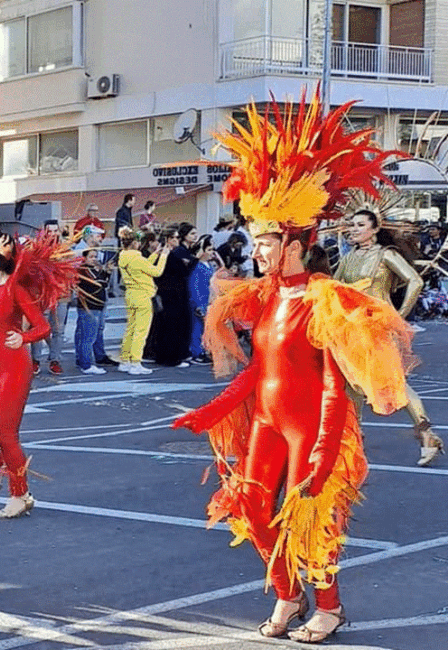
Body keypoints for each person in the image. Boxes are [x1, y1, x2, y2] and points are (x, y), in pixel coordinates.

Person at [173, 91, 411, 644]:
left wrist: (326, 451)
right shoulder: (266, 296)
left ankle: (327, 608)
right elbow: (260, 370)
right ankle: (287, 592)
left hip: (313, 425)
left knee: (312, 518)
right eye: (255, 241)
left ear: (296, 241)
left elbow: (332, 383)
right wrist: (211, 411)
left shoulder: (326, 299)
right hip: (268, 420)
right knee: (253, 508)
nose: (256, 251)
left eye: (265, 241)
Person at [0, 225, 76, 518]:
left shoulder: (15, 289)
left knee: (6, 434)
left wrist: (24, 337)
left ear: (1, 257)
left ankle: (20, 495)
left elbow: (43, 327)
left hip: (13, 369)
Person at [335, 208, 442, 466]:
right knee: (352, 384)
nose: (354, 229)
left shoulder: (386, 255)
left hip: (380, 329)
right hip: (353, 329)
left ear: (375, 228)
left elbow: (415, 282)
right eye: (352, 224)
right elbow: (333, 288)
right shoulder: (348, 259)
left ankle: (427, 435)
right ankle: (354, 438)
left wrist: (398, 316)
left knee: (394, 383)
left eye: (360, 224)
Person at [117, 227, 169, 374]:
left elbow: (144, 265)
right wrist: (163, 256)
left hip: (131, 295)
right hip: (143, 296)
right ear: (134, 243)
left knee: (131, 329)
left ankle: (126, 360)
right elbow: (156, 271)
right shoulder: (137, 258)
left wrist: (155, 255)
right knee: (141, 331)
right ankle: (135, 362)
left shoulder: (124, 256)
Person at [150, 223, 197, 367]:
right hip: (171, 294)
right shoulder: (169, 254)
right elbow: (182, 271)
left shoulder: (168, 253)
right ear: (169, 239)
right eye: (175, 237)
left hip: (170, 292)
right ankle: (171, 358)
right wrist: (194, 260)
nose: (177, 240)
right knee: (171, 326)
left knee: (168, 326)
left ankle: (167, 355)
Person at [30, 220, 67, 376]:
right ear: (44, 232)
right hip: (42, 295)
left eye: (55, 231)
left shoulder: (65, 249)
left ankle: (55, 360)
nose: (52, 234)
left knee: (58, 330)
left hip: (61, 296)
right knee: (39, 328)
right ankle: (35, 360)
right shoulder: (36, 248)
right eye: (49, 231)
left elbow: (72, 272)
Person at [74, 249, 107, 375]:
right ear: (84, 258)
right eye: (91, 256)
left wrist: (104, 272)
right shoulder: (85, 270)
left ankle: (81, 359)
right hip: (89, 307)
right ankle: (86, 364)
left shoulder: (92, 270)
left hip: (94, 306)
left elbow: (103, 282)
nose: (94, 259)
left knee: (84, 335)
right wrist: (104, 272)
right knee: (88, 337)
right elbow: (99, 283)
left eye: (96, 256)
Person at [187, 234, 215, 365]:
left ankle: (204, 350)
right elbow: (194, 286)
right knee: (197, 328)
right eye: (209, 249)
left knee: (205, 329)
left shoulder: (209, 265)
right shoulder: (197, 266)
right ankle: (196, 352)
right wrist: (197, 303)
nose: (212, 253)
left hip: (209, 300)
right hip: (200, 301)